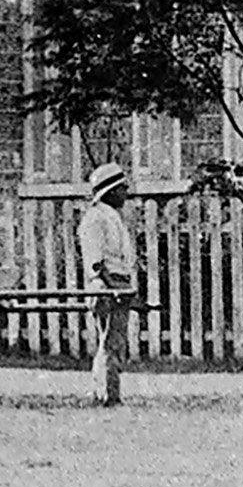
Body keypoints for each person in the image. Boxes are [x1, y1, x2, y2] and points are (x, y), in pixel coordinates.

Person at [78, 162, 140, 406]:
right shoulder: (95, 218)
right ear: (111, 191)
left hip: (118, 284)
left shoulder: (112, 216)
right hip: (105, 286)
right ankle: (105, 394)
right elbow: (97, 262)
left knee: (116, 341)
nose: (126, 192)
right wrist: (114, 288)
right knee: (108, 341)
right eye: (122, 188)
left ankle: (109, 392)